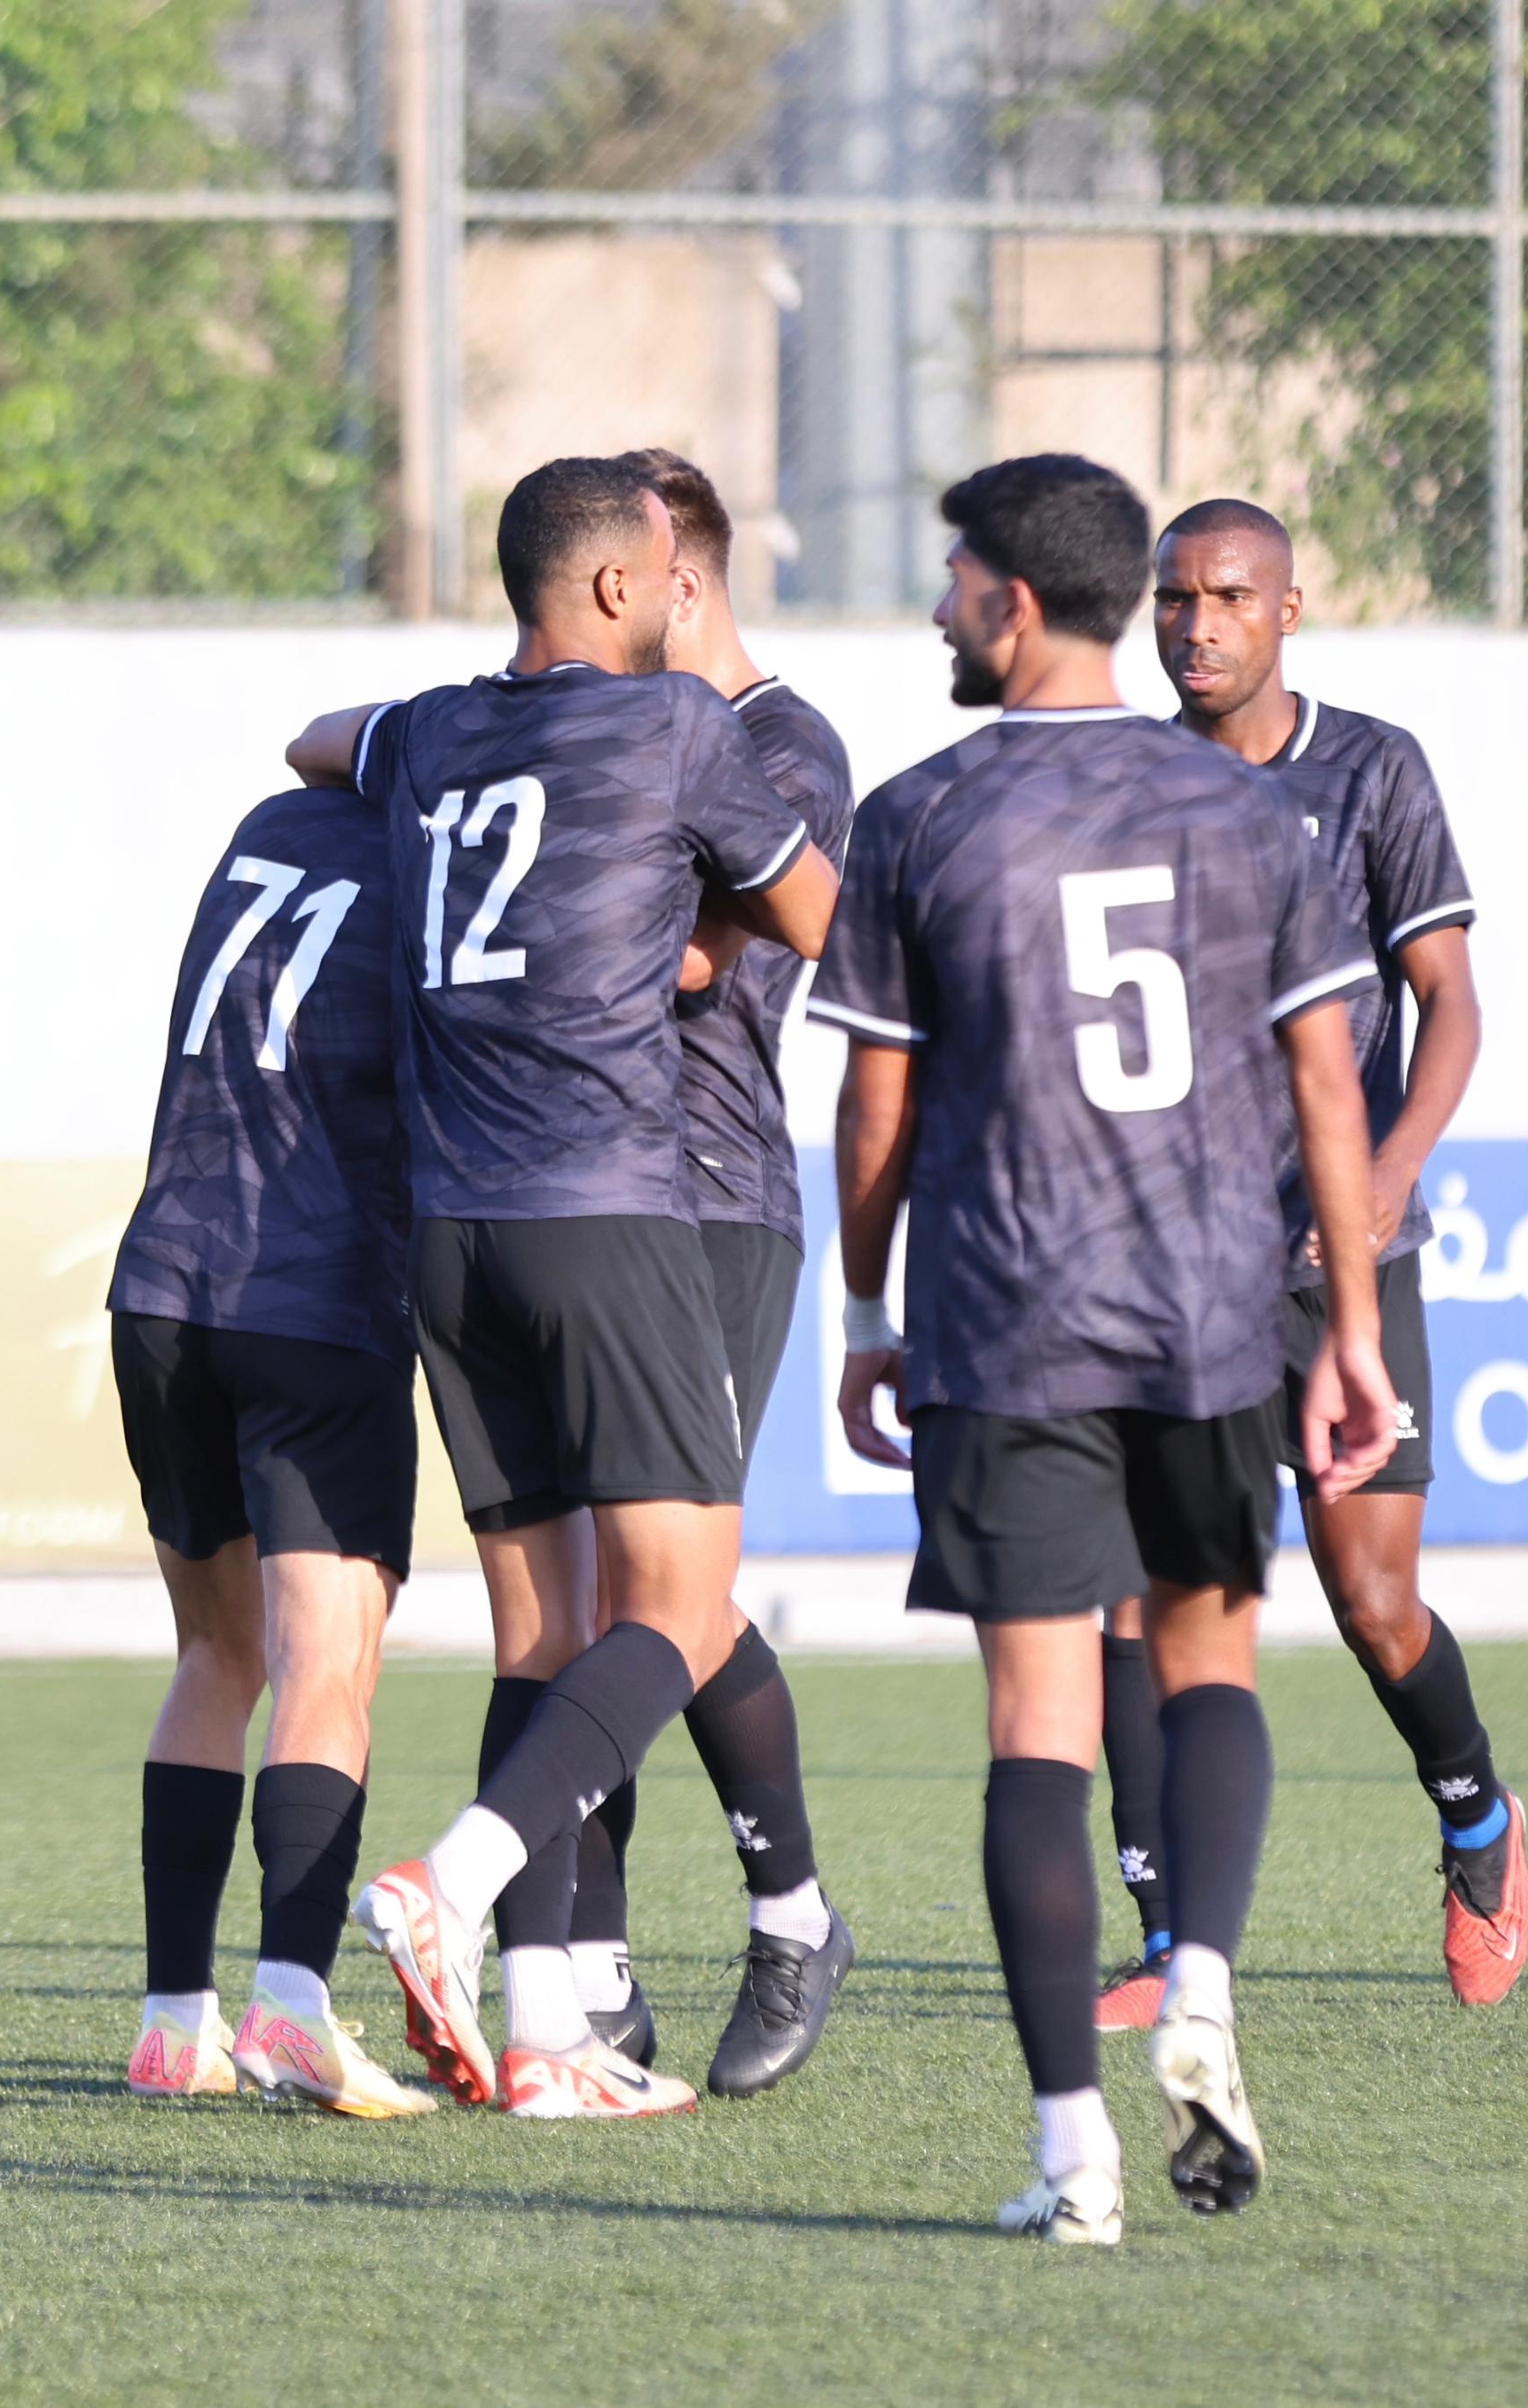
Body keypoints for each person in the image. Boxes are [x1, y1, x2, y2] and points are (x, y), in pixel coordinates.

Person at [815, 455, 1397, 2244]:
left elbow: (876, 1104)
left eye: (948, 582)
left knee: (1036, 1733)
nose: (933, 612)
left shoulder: (916, 817)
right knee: (1211, 1665)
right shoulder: (1244, 812)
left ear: (1006, 599)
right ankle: (1201, 1975)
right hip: (1213, 1318)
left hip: (1007, 1322)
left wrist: (863, 1309)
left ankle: (1074, 2152)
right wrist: (1353, 1324)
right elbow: (1324, 1082)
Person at [337, 454, 840, 2116]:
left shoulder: (425, 734)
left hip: (449, 1234)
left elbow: (317, 743)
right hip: (609, 1206)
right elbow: (812, 922)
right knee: (679, 1609)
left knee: (545, 1630)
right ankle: (462, 1881)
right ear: (632, 587)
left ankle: (552, 2035)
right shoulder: (678, 732)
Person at [1078, 496, 1528, 2025]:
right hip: (1167, 1264)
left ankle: (1477, 1816)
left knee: (1372, 1601)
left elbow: (1449, 1005)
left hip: (1337, 1254)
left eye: (1225, 597)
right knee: (1138, 1603)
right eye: (1173, 599)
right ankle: (1162, 1948)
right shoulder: (1121, 783)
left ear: (1286, 613)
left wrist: (1389, 1176)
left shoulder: (1371, 767)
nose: (1194, 624)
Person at [537, 447, 858, 2098]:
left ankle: (793, 1913)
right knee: (599, 1601)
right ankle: (592, 1971)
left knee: (678, 1599)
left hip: (720, 1197)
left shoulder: (783, 744)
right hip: (595, 1199)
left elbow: (678, 959)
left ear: (681, 580)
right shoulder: (611, 728)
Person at [108, 772, 439, 2119]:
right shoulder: (440, 865)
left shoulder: (270, 826)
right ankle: (293, 2006)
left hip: (161, 1284)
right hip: (316, 1298)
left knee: (214, 1653)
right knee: (325, 1664)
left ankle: (172, 2022)